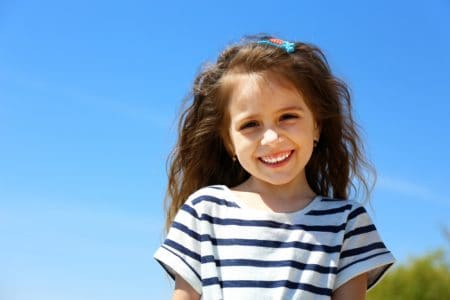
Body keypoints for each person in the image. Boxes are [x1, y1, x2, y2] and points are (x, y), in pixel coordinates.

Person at [154, 36, 395, 299]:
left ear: (317, 125)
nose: (271, 138)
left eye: (288, 117)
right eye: (250, 125)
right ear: (229, 142)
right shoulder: (203, 212)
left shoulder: (347, 223)